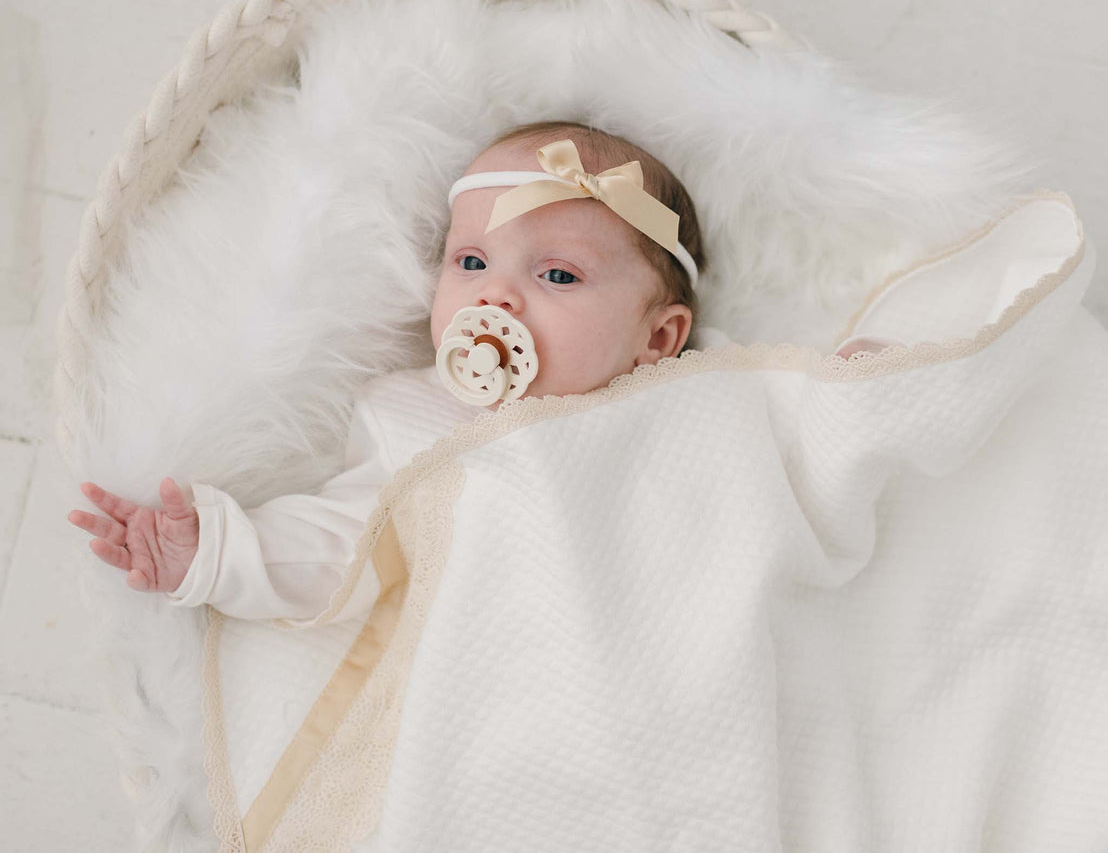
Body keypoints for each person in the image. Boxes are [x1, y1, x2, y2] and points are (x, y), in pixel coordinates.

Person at [66, 119, 896, 618]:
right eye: (469, 262)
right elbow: (347, 550)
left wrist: (849, 397)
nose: (495, 296)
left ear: (658, 337)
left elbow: (791, 460)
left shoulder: (699, 390)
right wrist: (215, 552)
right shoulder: (415, 418)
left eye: (558, 275)